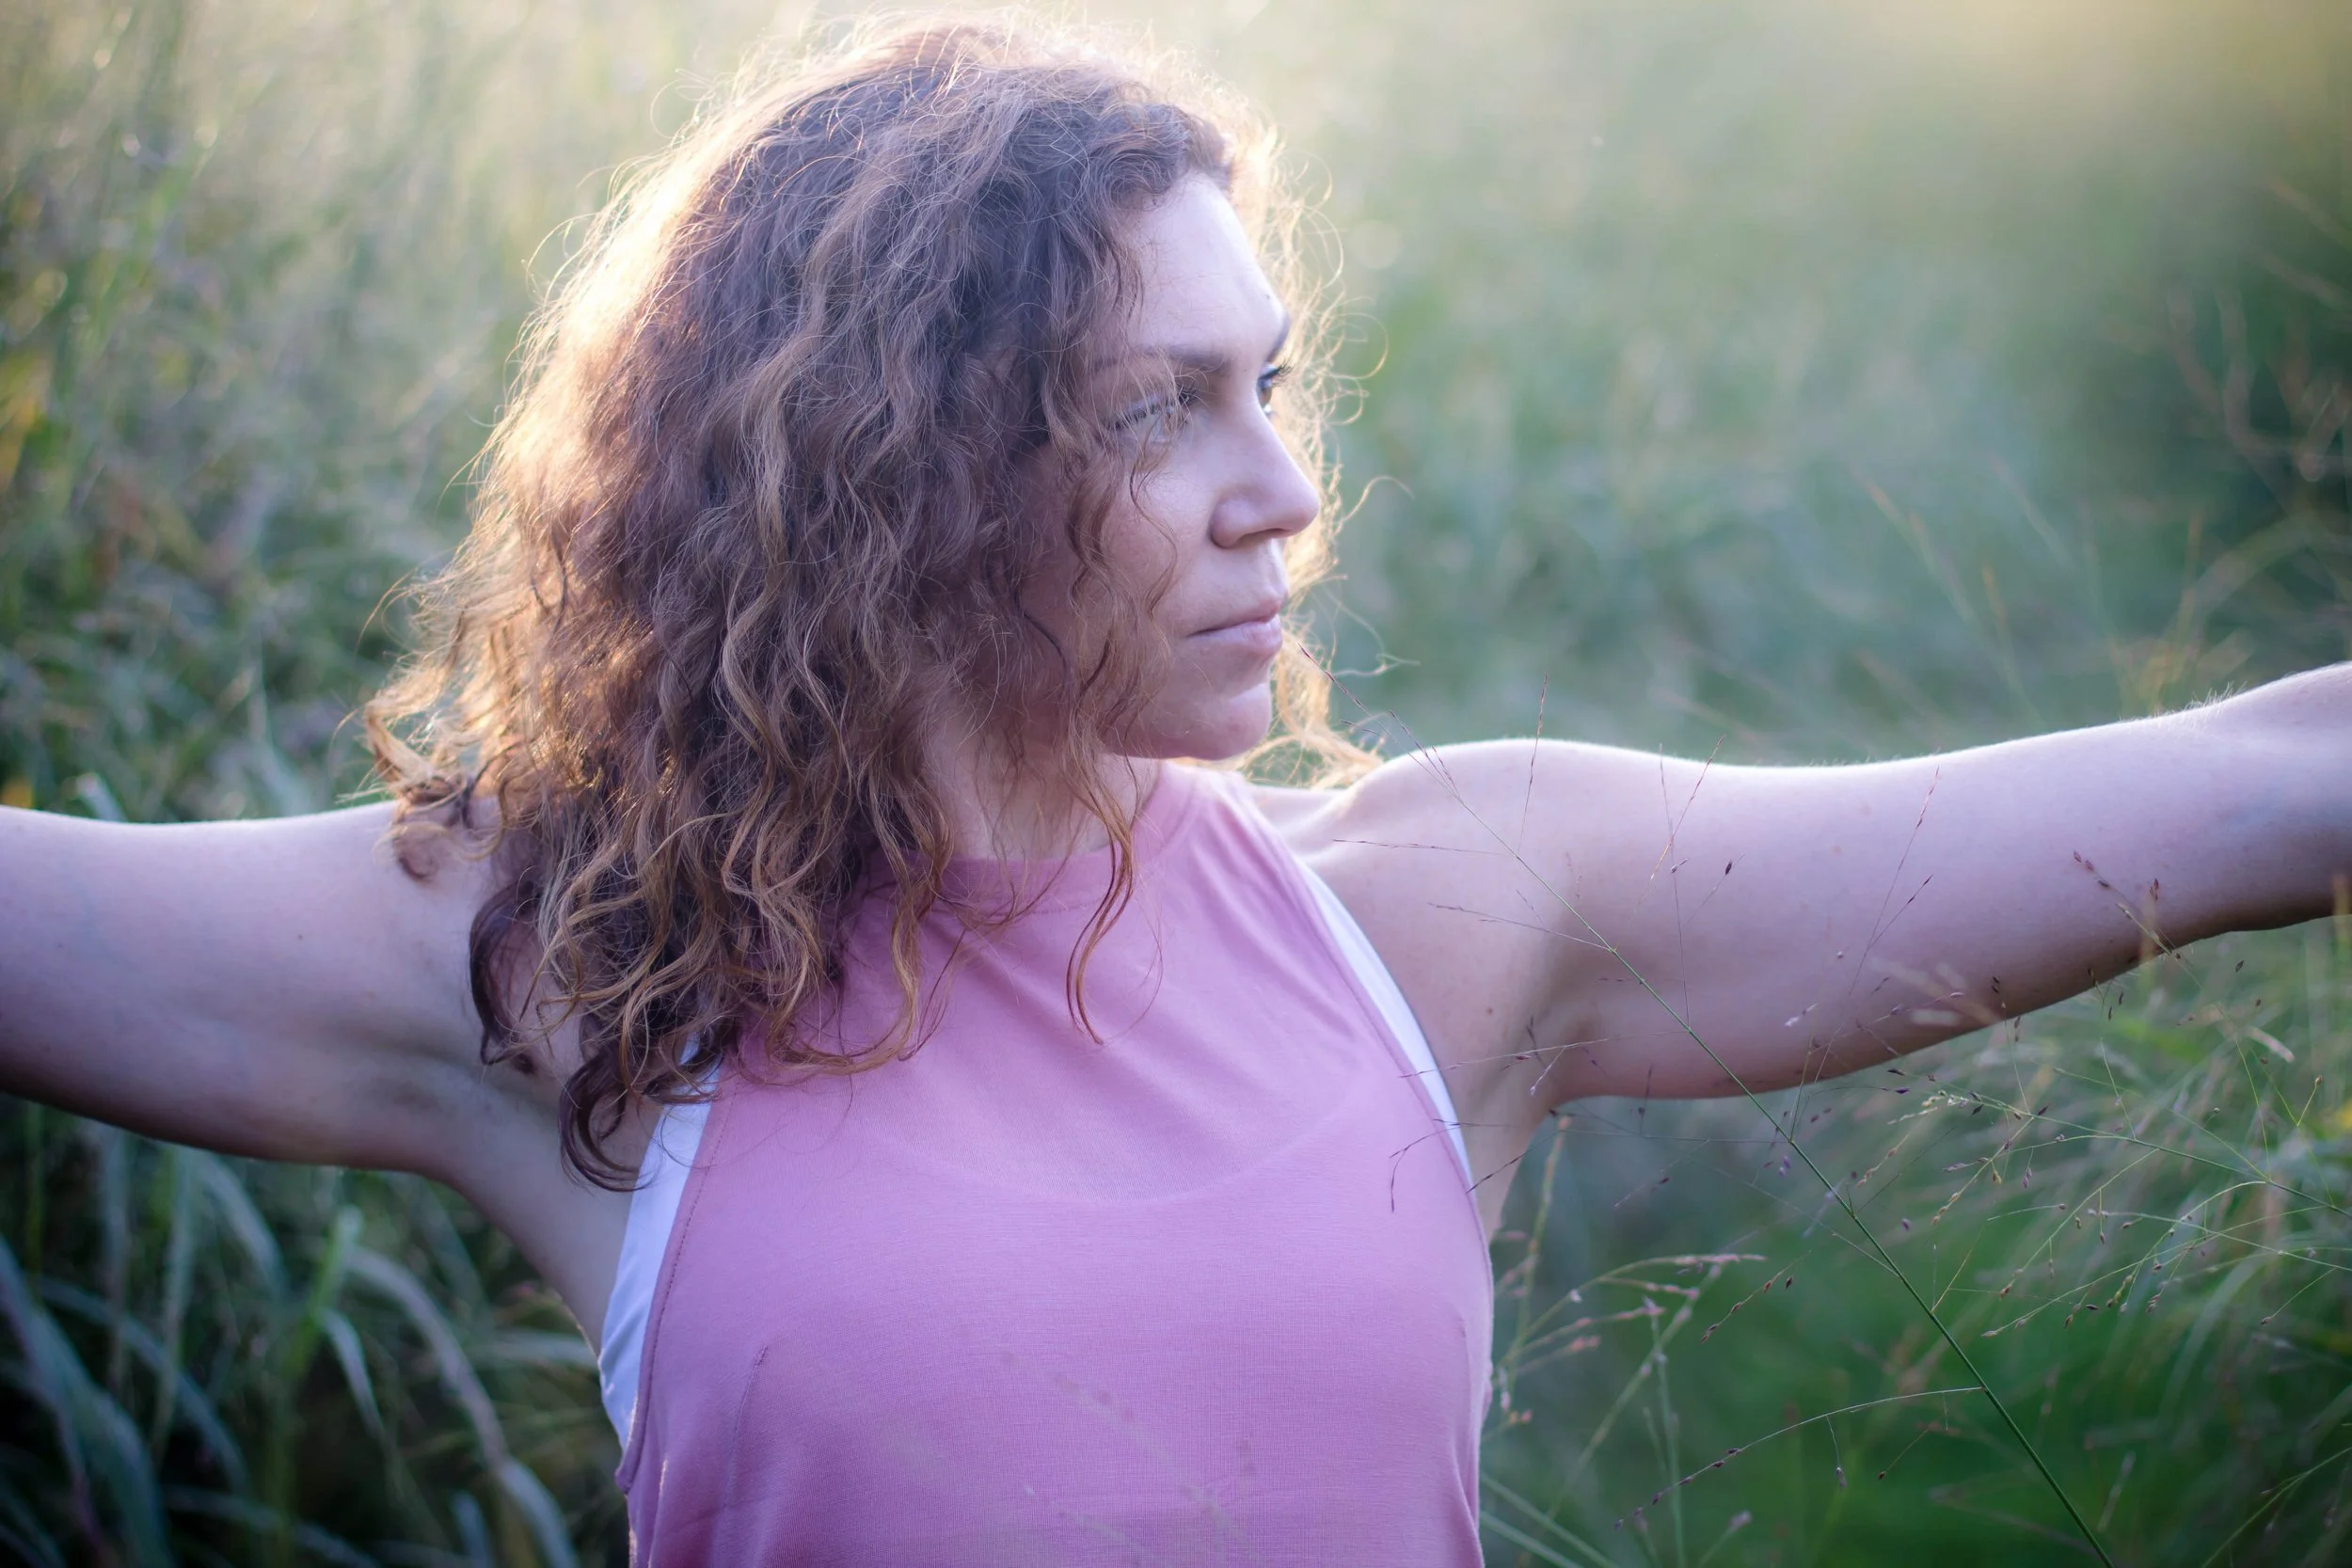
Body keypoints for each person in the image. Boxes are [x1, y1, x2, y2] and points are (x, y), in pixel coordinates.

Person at [2, 17, 2345, 1565]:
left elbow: (2257, 771)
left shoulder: (1453, 911)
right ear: (892, 463)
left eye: (1274, 384)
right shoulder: (573, 957)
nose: (1284, 493)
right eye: (1161, 411)